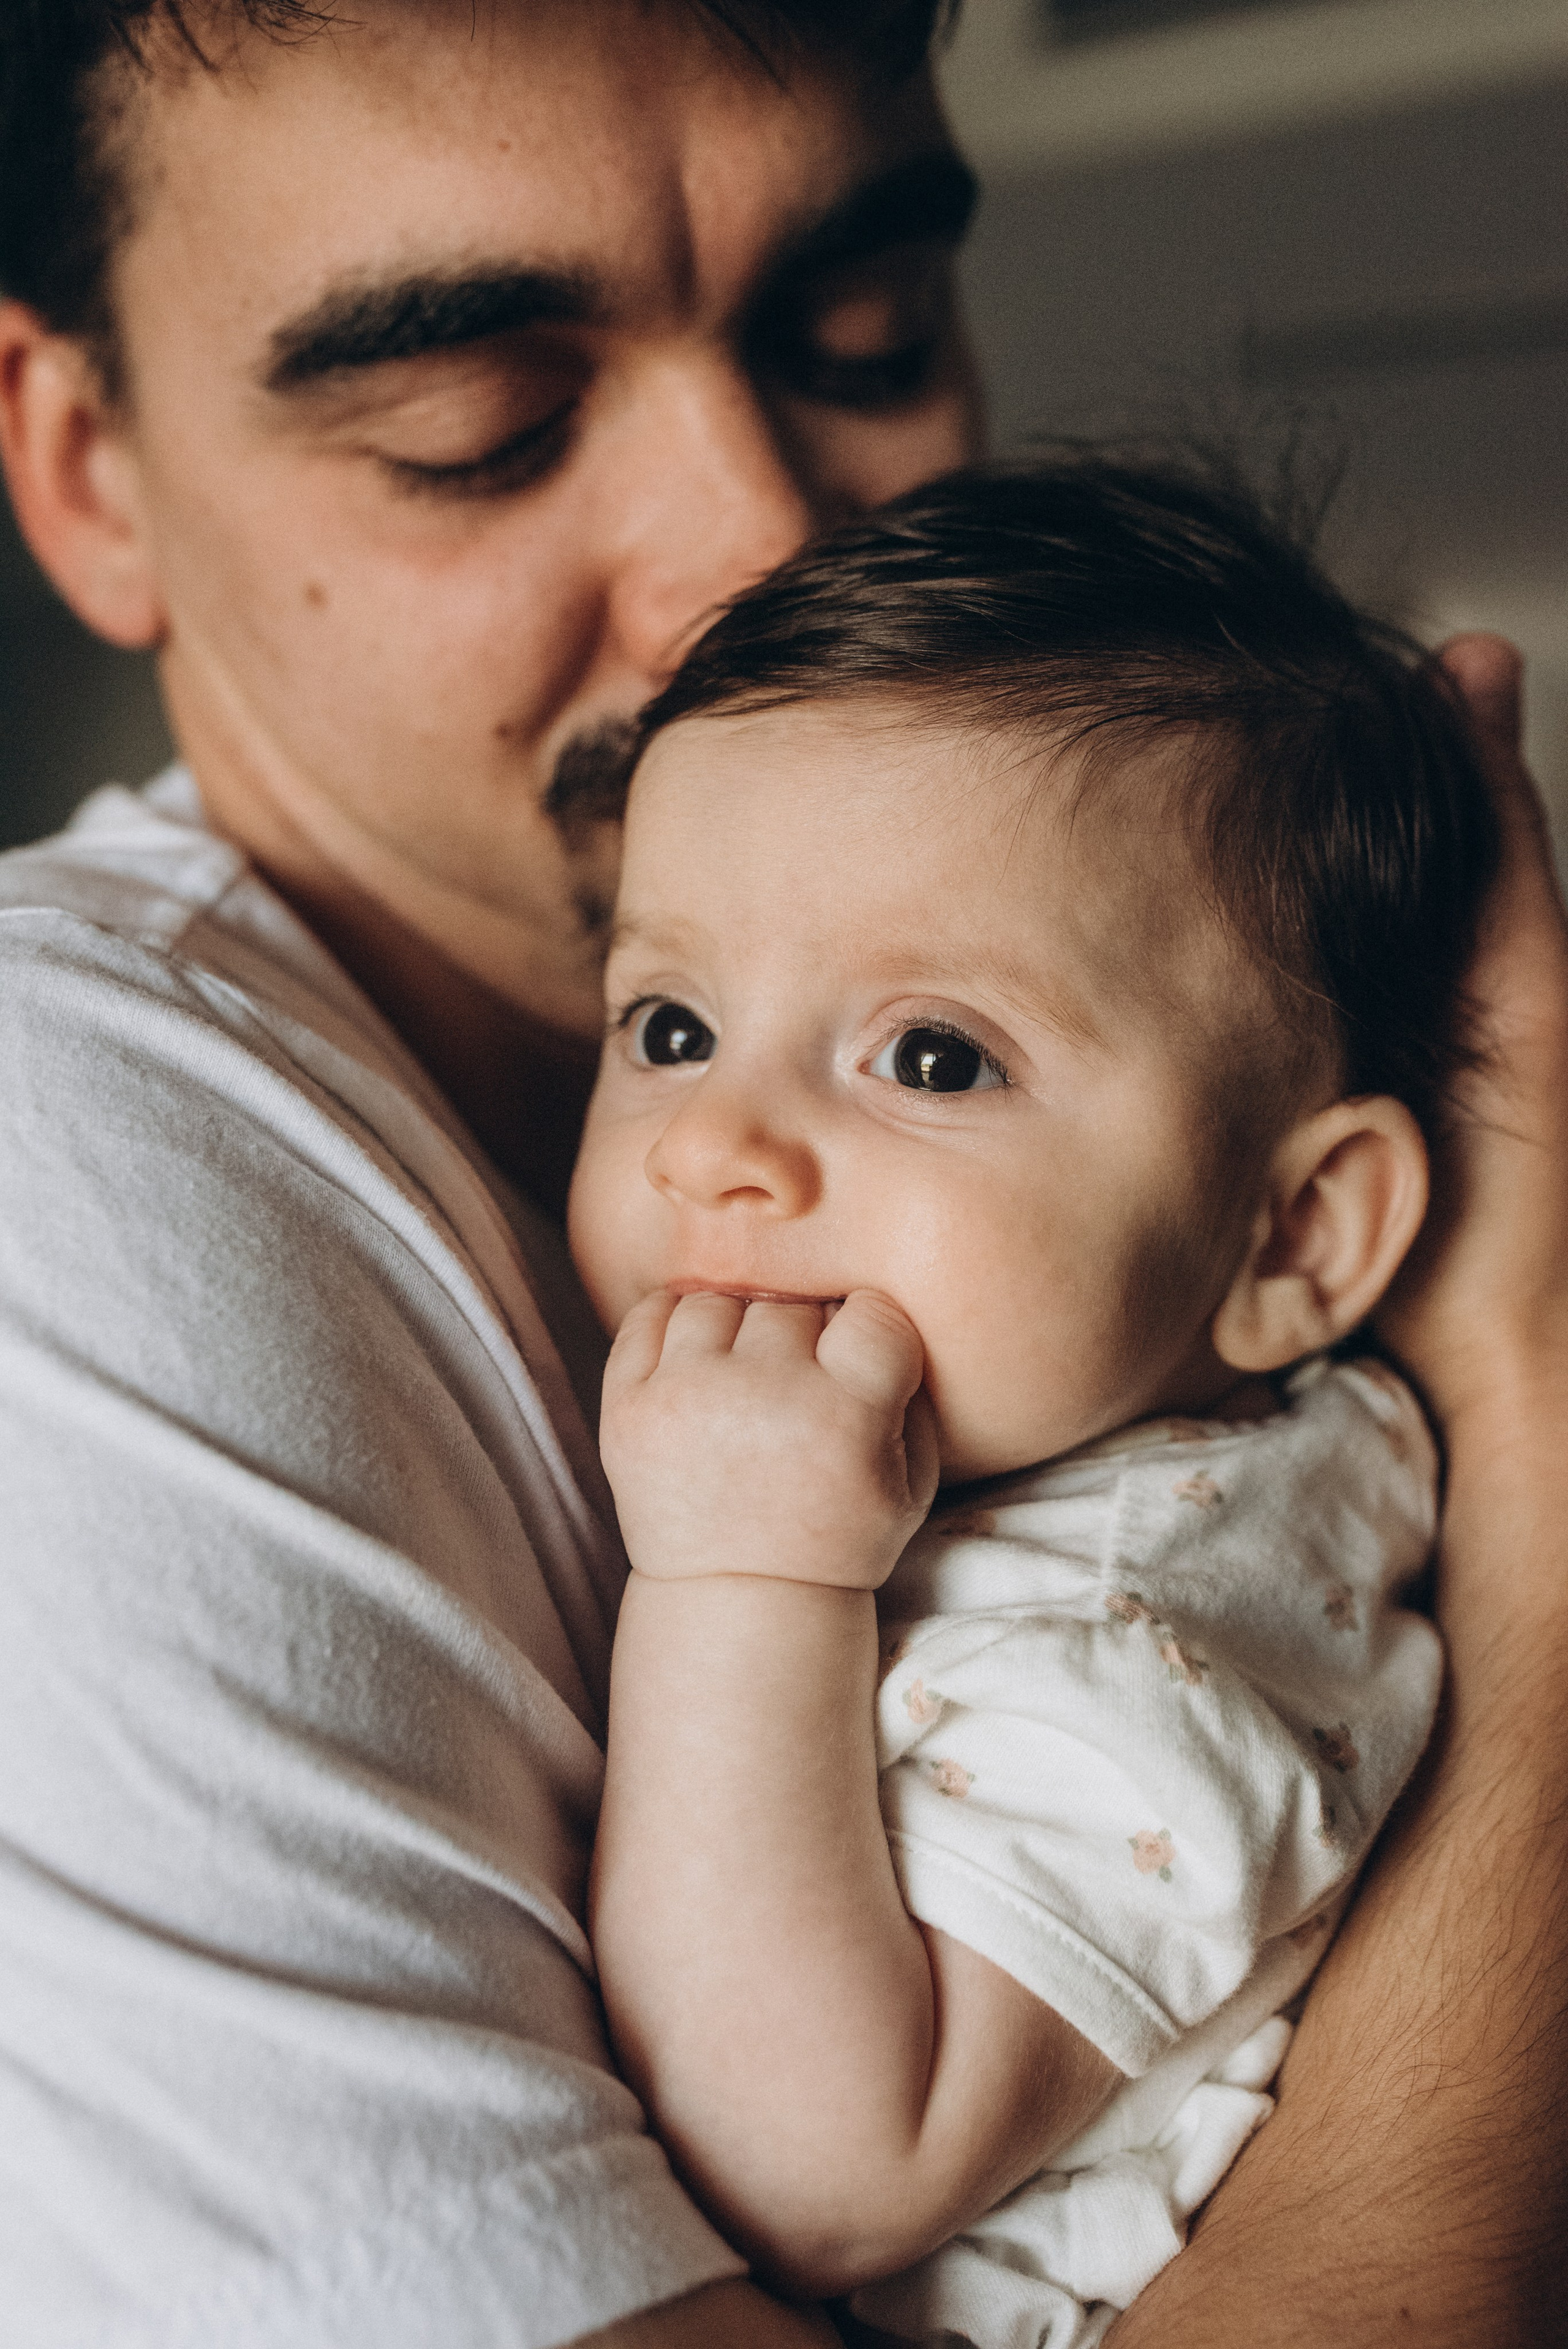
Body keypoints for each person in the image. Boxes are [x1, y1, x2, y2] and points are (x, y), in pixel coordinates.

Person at [0, 3, 1561, 2345]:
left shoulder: (1159, 1430)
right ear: (89, 471)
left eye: (861, 334)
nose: (759, 538)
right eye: (486, 427)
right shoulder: (71, 1153)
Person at [569, 461, 1493, 2348]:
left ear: (1294, 1230)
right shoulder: (1181, 1443)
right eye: (671, 1025)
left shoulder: (1144, 1635)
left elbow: (819, 2165)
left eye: (931, 1053)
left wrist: (746, 1581)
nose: (720, 1142)